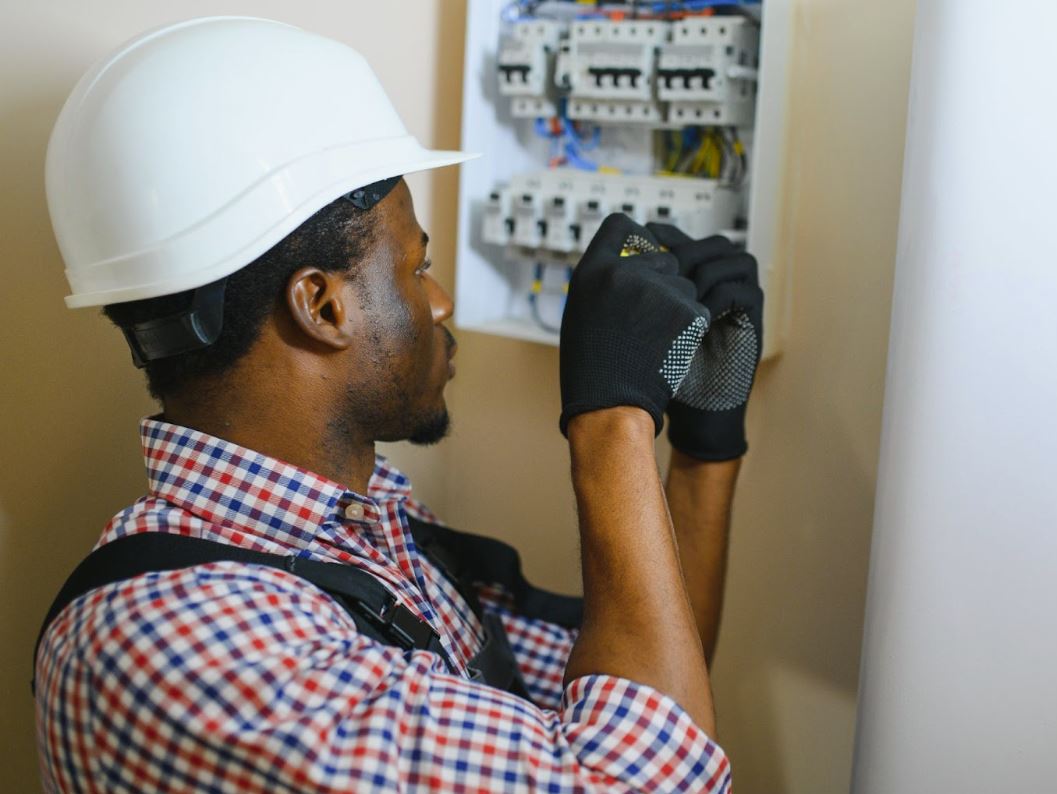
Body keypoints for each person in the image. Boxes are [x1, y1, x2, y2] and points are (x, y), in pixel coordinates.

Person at [34, 17, 762, 793]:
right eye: (419, 269)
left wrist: (703, 446)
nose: (441, 302)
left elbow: (649, 707)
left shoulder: (360, 525)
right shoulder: (177, 646)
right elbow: (653, 777)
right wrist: (610, 421)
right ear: (322, 306)